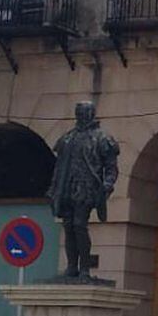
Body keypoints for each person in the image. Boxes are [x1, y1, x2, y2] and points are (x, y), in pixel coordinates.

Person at [47, 101, 120, 280]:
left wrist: (107, 185)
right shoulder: (67, 138)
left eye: (85, 112)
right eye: (79, 112)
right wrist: (53, 188)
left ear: (92, 114)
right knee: (68, 226)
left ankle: (85, 268)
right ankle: (72, 267)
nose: (82, 115)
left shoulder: (102, 138)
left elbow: (111, 168)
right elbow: (59, 167)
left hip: (87, 187)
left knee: (80, 225)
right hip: (66, 187)